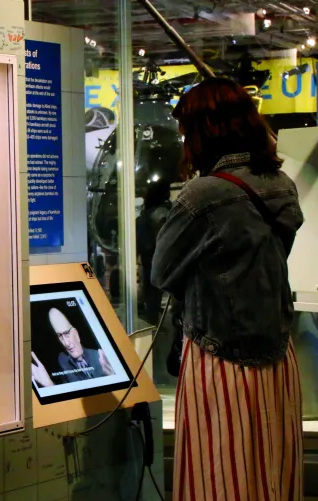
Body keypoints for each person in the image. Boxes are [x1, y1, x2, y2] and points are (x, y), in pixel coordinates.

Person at [151, 78, 304, 501]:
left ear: (204, 130)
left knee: (218, 476)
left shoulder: (203, 195)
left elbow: (161, 271)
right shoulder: (280, 184)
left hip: (219, 358)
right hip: (277, 354)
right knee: (271, 469)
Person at [31, 307, 115, 387]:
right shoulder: (62, 361)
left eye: (67, 333)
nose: (66, 343)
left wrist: (114, 378)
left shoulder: (99, 357)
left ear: (76, 333)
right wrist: (49, 384)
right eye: (60, 336)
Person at [136, 179, 172, 324]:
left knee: (151, 296)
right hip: (161, 259)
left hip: (149, 260)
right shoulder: (164, 212)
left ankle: (153, 324)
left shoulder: (146, 214)